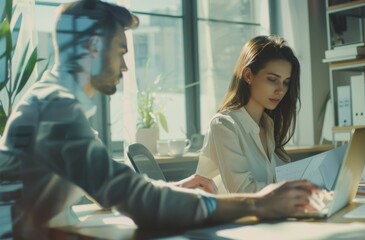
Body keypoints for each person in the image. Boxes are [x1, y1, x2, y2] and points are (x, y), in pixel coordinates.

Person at [0, 1, 324, 239]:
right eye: (121, 51)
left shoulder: (55, 103)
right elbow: (139, 202)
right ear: (93, 46)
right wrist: (258, 204)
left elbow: (108, 186)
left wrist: (171, 186)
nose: (126, 66)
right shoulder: (55, 110)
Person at [196, 35, 300, 194]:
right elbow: (244, 192)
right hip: (228, 217)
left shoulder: (269, 126)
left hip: (266, 215)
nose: (281, 90)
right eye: (273, 79)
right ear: (248, 76)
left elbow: (277, 182)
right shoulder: (224, 125)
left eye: (286, 82)